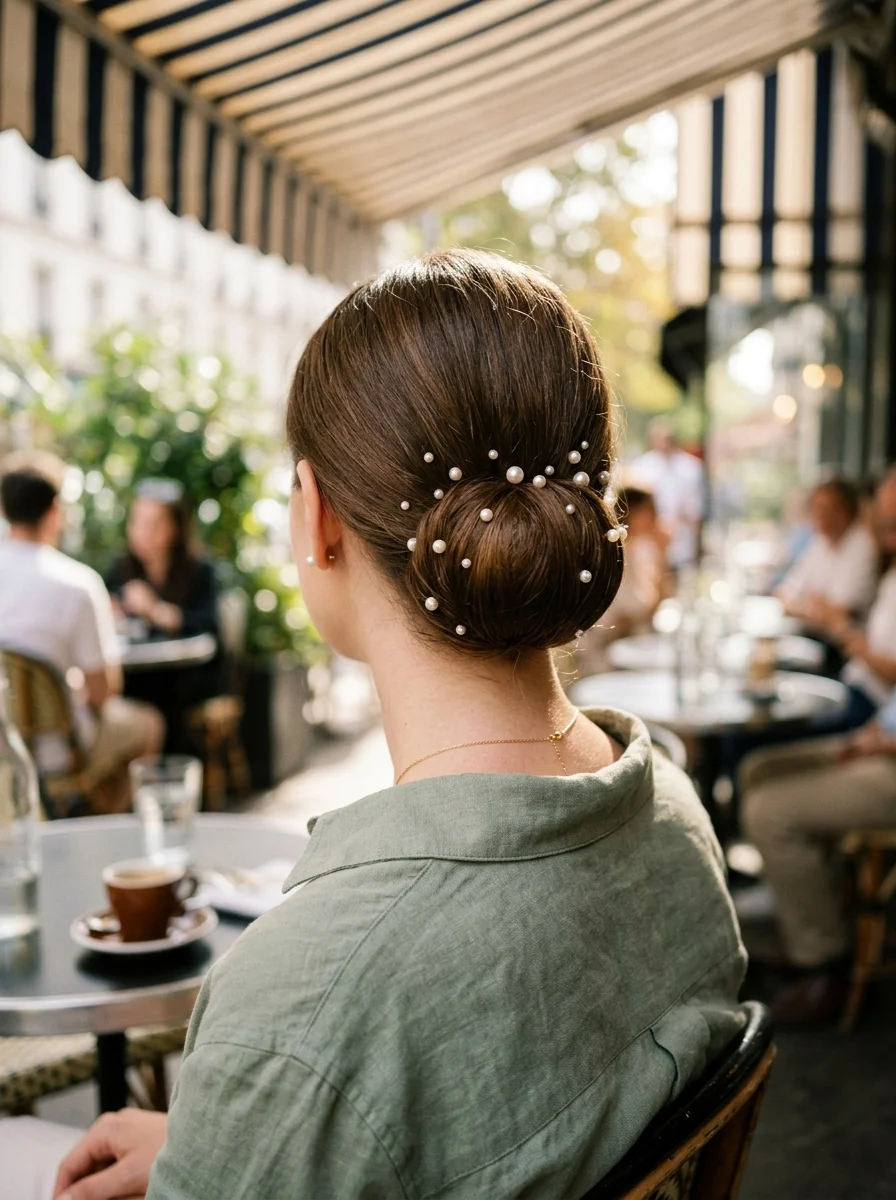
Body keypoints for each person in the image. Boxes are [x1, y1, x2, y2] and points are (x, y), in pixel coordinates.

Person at [5, 252, 745, 1199]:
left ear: (315, 517)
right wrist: (222, 1144)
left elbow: (344, 1071)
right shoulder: (677, 815)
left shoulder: (309, 1004)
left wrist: (256, 1114)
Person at [0, 452, 164, 809]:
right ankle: (107, 825)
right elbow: (103, 693)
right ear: (55, 511)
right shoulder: (77, 584)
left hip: (3, 744)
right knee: (149, 724)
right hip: (57, 751)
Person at [741, 690, 896, 1024]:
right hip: (883, 739)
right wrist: (874, 731)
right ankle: (804, 923)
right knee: (757, 768)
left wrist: (882, 744)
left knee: (769, 812)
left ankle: (824, 964)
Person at [106, 479, 222, 754]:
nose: (143, 533)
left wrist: (157, 612)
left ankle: (167, 777)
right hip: (137, 675)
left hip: (188, 677)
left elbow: (210, 629)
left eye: (154, 524)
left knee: (160, 697)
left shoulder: (199, 571)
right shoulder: (121, 570)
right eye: (137, 522)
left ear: (175, 529)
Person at [576, 485, 670, 674]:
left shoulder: (644, 550)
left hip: (634, 646)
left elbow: (652, 607)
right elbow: (618, 618)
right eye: (650, 511)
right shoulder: (608, 553)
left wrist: (662, 554)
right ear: (633, 512)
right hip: (605, 654)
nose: (656, 518)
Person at [775, 476, 878, 631]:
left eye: (828, 508)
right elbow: (784, 592)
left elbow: (840, 614)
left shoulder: (863, 546)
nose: (820, 515)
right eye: (816, 508)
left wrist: (804, 604)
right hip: (814, 634)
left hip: (842, 647)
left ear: (847, 511)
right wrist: (814, 604)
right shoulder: (820, 542)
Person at [630, 417, 704, 569]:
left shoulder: (690, 467)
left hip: (682, 541)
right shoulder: (642, 467)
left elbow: (695, 509)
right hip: (651, 542)